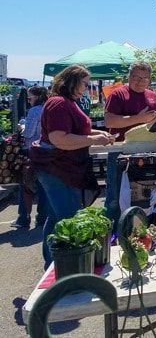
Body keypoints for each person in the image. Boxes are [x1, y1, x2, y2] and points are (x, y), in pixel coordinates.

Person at [29, 65, 115, 267]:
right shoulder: (58, 103)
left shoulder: (67, 102)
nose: (86, 88)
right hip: (57, 168)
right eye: (84, 83)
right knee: (68, 219)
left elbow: (77, 129)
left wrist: (98, 134)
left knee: (54, 218)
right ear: (71, 81)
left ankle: (52, 265)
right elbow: (59, 138)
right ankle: (65, 268)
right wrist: (93, 140)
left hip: (59, 168)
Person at [11, 86, 49, 228]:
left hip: (30, 151)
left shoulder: (34, 111)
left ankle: (23, 218)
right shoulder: (47, 108)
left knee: (25, 185)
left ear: (36, 97)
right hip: (44, 151)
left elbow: (28, 133)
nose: (28, 99)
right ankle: (42, 217)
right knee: (43, 185)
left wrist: (22, 125)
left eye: (30, 97)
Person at [104, 62, 156, 141]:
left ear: (149, 80)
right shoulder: (117, 94)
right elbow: (109, 122)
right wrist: (139, 119)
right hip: (122, 147)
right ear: (129, 77)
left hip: (149, 146)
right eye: (136, 78)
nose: (140, 82)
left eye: (145, 78)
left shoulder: (153, 95)